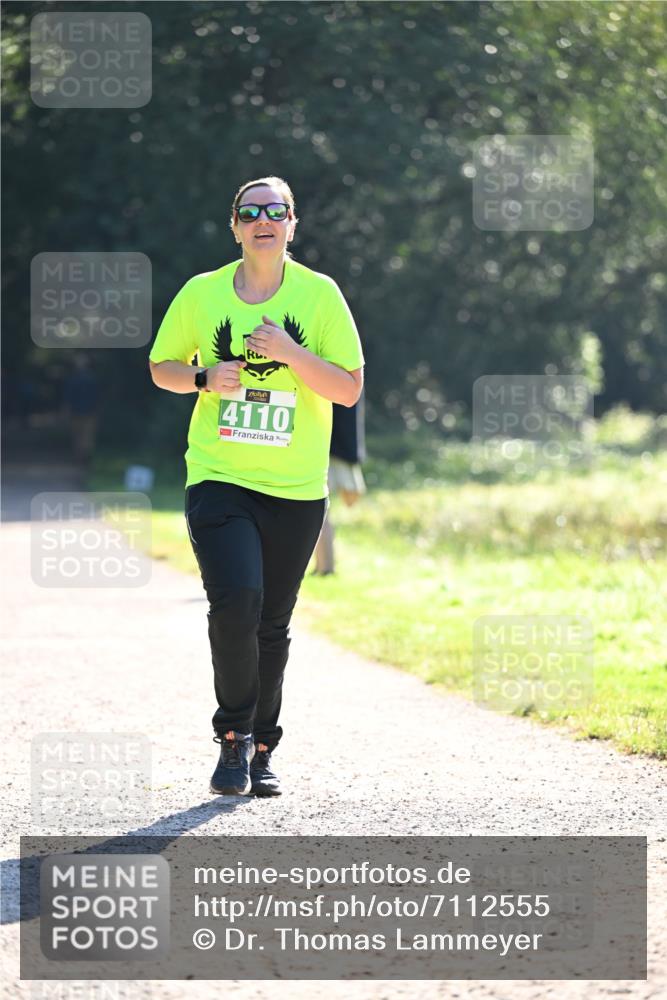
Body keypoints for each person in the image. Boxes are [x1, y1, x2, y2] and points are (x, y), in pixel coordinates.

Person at [148, 176, 364, 797]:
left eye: (276, 211)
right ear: (235, 225)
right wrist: (202, 377)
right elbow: (161, 368)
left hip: (295, 488)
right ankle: (232, 737)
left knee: (272, 623)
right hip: (220, 475)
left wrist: (291, 353)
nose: (263, 220)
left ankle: (263, 746)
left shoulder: (320, 296)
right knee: (236, 604)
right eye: (251, 211)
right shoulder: (203, 293)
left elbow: (347, 388)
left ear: (293, 224)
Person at [313, 392, 366, 575]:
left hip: (331, 449)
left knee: (319, 508)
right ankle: (322, 565)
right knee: (321, 509)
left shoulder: (341, 372)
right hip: (339, 449)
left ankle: (326, 567)